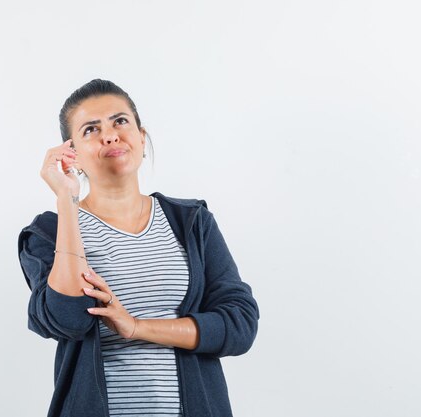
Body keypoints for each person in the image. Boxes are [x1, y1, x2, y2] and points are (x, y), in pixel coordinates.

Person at [17, 79, 259, 417]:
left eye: (120, 121)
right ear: (72, 155)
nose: (111, 135)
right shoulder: (50, 232)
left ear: (141, 138)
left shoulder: (191, 221)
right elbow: (67, 318)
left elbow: (239, 325)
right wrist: (66, 199)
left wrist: (136, 327)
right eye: (91, 129)